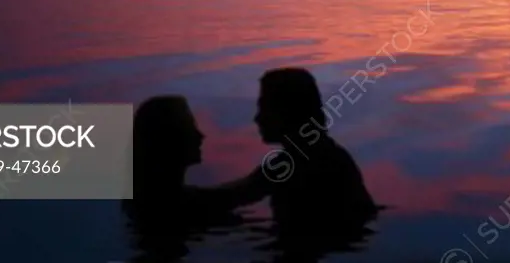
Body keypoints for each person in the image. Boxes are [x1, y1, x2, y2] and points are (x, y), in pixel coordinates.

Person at [217, 68, 379, 259]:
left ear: (288, 111)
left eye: (264, 108)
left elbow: (233, 195)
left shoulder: (296, 163)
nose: (257, 118)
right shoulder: (324, 154)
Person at [123, 95, 245, 259]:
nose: (201, 135)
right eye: (190, 127)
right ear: (167, 138)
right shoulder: (165, 203)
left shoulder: (147, 198)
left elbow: (223, 195)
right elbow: (234, 195)